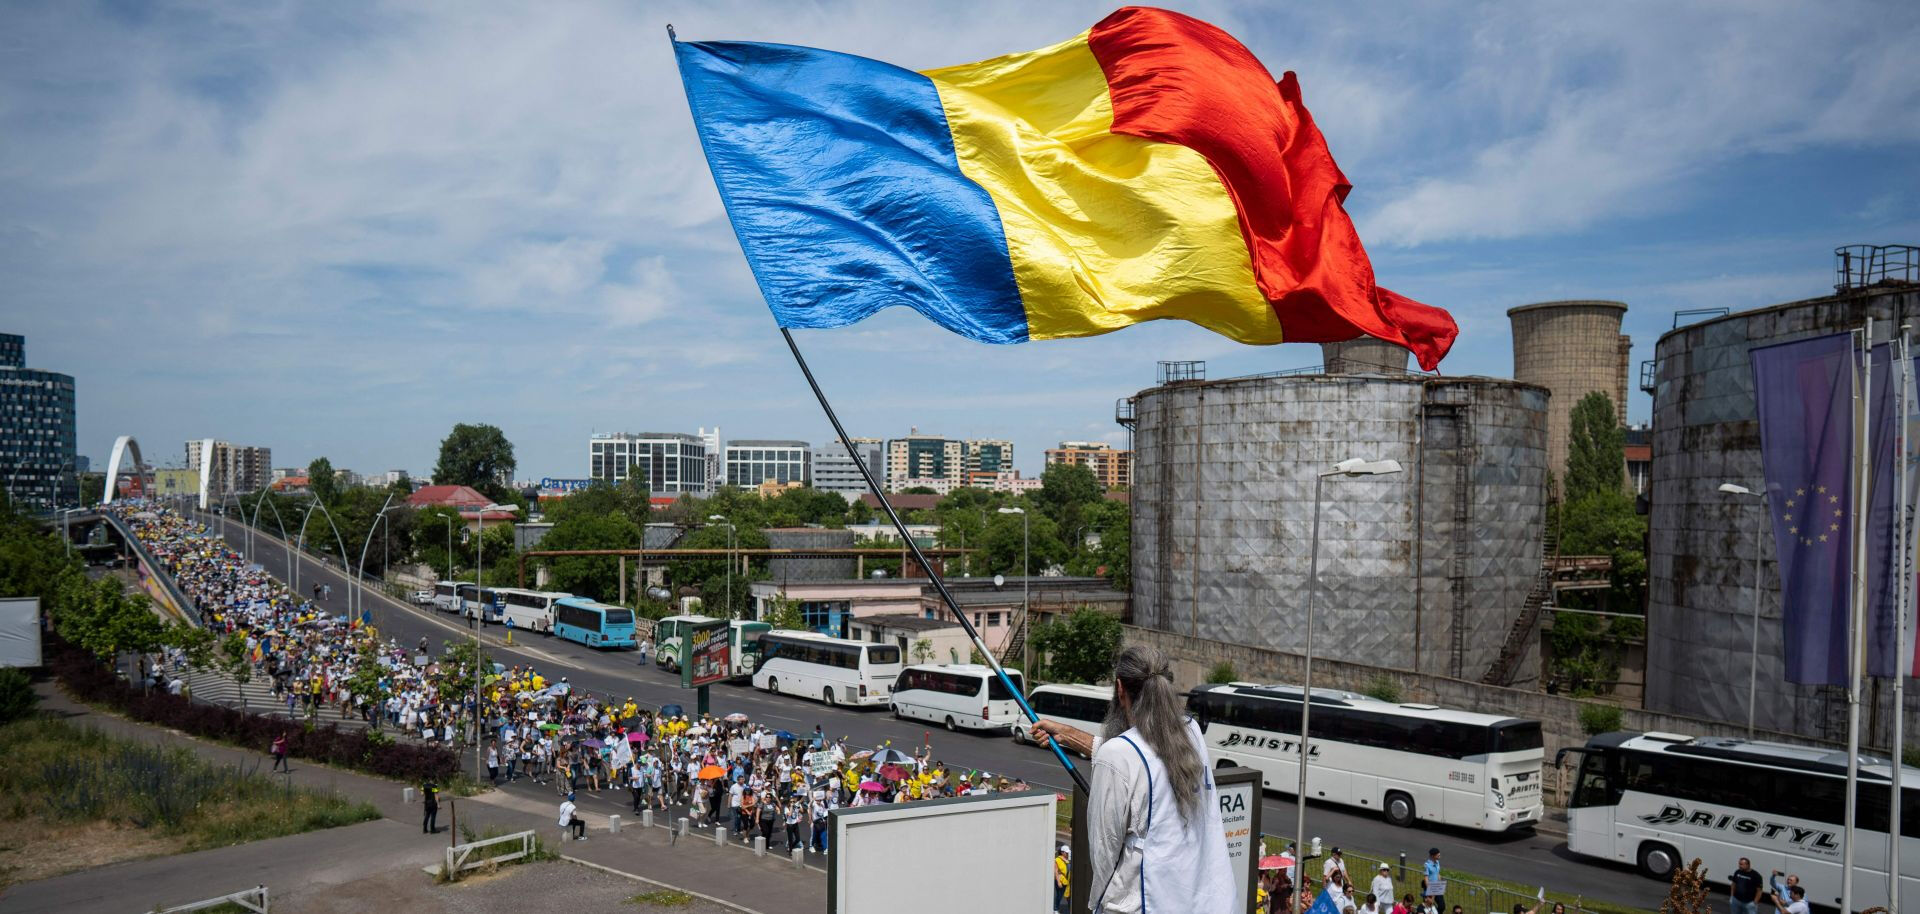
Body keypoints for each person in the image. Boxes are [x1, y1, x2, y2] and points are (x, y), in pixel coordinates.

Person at [1031, 645, 1233, 914]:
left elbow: (1104, 856)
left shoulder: (1118, 755)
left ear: (1120, 688)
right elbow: (1145, 757)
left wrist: (1096, 907)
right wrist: (1069, 735)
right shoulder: (1191, 731)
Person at [1422, 848, 1444, 914]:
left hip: (1437, 887)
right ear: (1432, 856)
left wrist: (1441, 885)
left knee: (1442, 906)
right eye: (1438, 855)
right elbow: (1426, 878)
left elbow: (1438, 874)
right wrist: (1429, 890)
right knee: (1428, 906)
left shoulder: (1437, 862)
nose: (1440, 856)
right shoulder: (1427, 865)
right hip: (1430, 888)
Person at [1054, 844, 1072, 914]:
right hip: (1061, 880)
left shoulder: (1068, 859)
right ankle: (1056, 909)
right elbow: (1056, 872)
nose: (1067, 853)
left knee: (1068, 896)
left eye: (1068, 852)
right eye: (1066, 852)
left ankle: (1070, 910)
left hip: (1067, 881)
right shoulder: (1057, 860)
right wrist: (1058, 882)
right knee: (1059, 896)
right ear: (1062, 852)